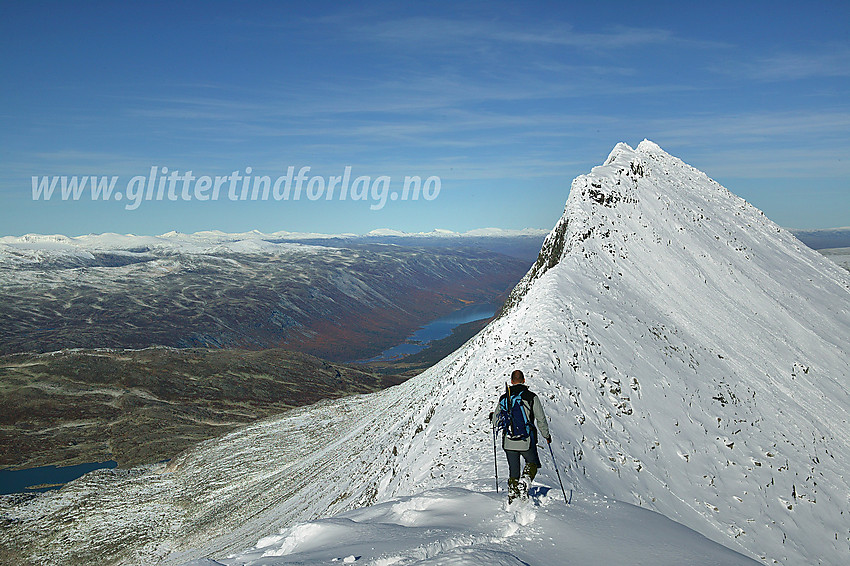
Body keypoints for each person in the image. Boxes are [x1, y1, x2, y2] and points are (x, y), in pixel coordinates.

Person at [491, 369, 552, 502]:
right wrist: (546, 435)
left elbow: (496, 421)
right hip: (526, 440)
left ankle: (513, 494)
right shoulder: (531, 397)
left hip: (508, 441)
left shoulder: (504, 398)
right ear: (524, 380)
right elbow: (541, 419)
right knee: (532, 463)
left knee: (514, 469)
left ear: (512, 382)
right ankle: (525, 482)